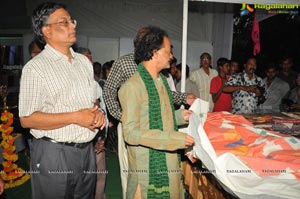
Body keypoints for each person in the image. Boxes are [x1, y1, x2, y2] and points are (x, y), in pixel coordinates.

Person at [18, 2, 106, 199]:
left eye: (71, 21)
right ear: (46, 31)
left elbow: (92, 101)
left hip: (86, 151)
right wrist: (76, 117)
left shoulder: (83, 62)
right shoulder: (36, 68)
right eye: (63, 22)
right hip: (53, 153)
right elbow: (27, 119)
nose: (73, 26)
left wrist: (96, 112)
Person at [103, 28, 197, 198]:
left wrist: (180, 116)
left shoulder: (159, 81)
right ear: (155, 53)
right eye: (168, 51)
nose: (172, 56)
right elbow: (131, 133)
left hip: (168, 161)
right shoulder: (132, 87)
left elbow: (157, 115)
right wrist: (174, 139)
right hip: (146, 168)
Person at [78, 48, 108, 199]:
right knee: (83, 181)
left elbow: (102, 111)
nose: (90, 62)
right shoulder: (73, 84)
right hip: (81, 142)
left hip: (98, 138)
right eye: (86, 58)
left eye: (91, 58)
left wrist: (102, 139)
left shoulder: (95, 84)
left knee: (100, 175)